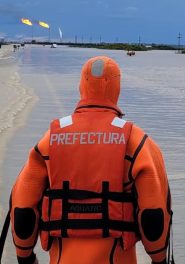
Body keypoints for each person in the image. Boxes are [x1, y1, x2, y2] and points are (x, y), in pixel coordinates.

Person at [9, 56, 173, 264]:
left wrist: (25, 257)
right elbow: (154, 214)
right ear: (117, 88)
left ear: (81, 86)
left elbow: (22, 208)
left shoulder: (49, 140)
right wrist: (159, 259)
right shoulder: (137, 142)